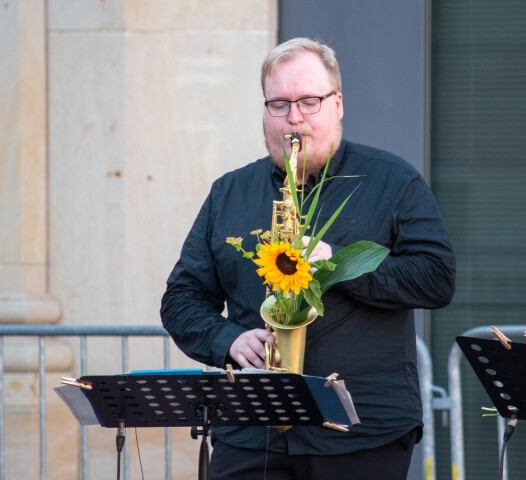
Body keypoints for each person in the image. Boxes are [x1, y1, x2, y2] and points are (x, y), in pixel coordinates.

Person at [161, 37, 455, 480]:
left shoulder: (393, 181)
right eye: (278, 104)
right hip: (250, 430)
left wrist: (337, 264)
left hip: (360, 433)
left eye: (309, 102)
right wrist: (228, 341)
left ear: (337, 104)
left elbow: (436, 278)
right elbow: (181, 299)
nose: (293, 119)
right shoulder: (229, 192)